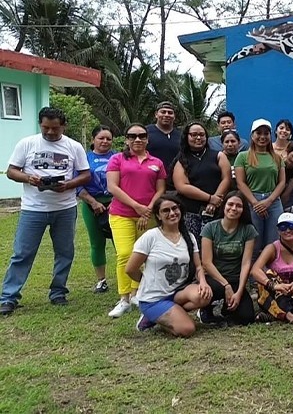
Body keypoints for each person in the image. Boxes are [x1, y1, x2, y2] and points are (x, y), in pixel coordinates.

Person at [0, 107, 91, 315]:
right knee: (22, 253)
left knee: (65, 252)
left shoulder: (73, 146)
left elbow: (85, 175)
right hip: (33, 208)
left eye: (55, 128)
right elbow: (12, 171)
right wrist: (29, 178)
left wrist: (69, 184)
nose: (50, 132)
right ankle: (9, 297)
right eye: (45, 128)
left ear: (64, 126)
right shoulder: (27, 143)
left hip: (65, 208)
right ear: (40, 124)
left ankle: (58, 292)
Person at [128, 194, 212, 337]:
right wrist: (145, 281)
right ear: (158, 216)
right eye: (166, 210)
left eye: (175, 208)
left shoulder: (189, 237)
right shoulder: (151, 237)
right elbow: (130, 269)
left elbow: (198, 266)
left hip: (177, 292)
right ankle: (152, 317)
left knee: (204, 296)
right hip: (153, 299)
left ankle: (169, 313)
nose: (172, 213)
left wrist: (203, 282)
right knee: (187, 329)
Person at [106, 123, 167, 318]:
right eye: (133, 136)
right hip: (121, 213)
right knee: (124, 253)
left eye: (141, 136)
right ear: (126, 139)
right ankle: (124, 298)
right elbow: (113, 187)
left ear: (147, 139)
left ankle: (136, 293)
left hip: (147, 215)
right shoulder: (117, 159)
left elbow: (160, 189)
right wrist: (136, 206)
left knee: (144, 256)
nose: (137, 139)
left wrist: (147, 210)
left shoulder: (156, 161)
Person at [250, 212, 293, 327]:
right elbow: (255, 270)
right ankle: (291, 317)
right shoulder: (272, 248)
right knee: (265, 277)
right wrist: (275, 286)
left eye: (291, 226)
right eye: (283, 227)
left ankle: (274, 315)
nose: (288, 230)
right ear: (278, 231)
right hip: (277, 292)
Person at [199, 191, 258, 325]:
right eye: (230, 204)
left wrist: (240, 291)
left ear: (243, 210)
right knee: (216, 289)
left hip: (236, 278)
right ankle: (206, 309)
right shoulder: (210, 228)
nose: (234, 208)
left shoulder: (248, 230)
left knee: (246, 317)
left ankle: (227, 308)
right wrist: (226, 285)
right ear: (223, 206)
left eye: (239, 206)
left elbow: (246, 263)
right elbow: (206, 263)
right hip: (214, 278)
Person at [234, 119, 287, 259]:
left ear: (271, 136)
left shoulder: (277, 157)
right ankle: (252, 276)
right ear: (252, 135)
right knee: (254, 241)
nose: (262, 137)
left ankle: (271, 274)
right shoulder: (243, 156)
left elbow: (282, 182)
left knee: (274, 241)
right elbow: (240, 182)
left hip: (273, 201)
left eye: (266, 133)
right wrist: (255, 203)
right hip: (252, 201)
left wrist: (269, 201)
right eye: (259, 133)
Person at [172, 122, 231, 239]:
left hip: (217, 211)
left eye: (201, 134)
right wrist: (210, 198)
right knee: (193, 246)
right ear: (187, 137)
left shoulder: (218, 156)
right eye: (193, 135)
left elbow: (226, 178)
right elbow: (182, 186)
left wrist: (215, 200)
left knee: (216, 245)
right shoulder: (181, 160)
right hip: (190, 212)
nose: (198, 138)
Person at [77, 125, 116, 293]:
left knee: (121, 242)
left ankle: (132, 277)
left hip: (116, 203)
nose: (105, 141)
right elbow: (78, 184)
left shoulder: (118, 157)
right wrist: (93, 202)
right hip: (92, 205)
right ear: (94, 139)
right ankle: (101, 280)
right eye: (101, 138)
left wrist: (116, 200)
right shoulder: (84, 159)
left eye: (108, 138)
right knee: (97, 242)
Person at [145, 101, 181, 176]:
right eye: (163, 112)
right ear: (156, 114)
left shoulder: (181, 135)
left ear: (174, 116)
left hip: (175, 179)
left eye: (170, 113)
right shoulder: (145, 132)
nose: (166, 115)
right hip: (150, 177)